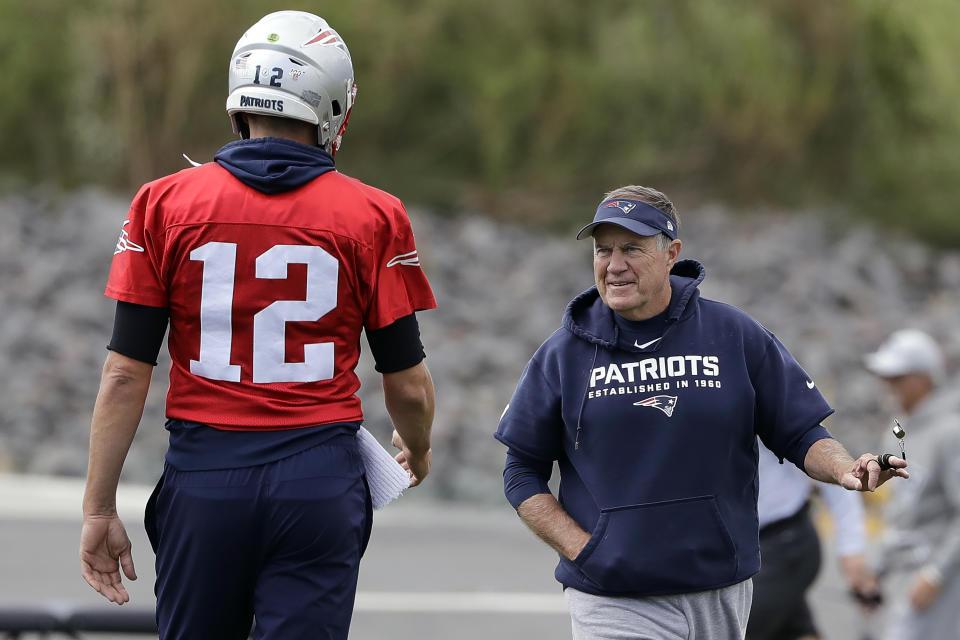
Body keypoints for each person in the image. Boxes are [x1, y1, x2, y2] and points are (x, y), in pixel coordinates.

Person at [80, 11, 436, 640]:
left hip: (206, 475)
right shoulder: (375, 215)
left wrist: (99, 506)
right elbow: (405, 381)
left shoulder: (164, 204)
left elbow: (123, 374)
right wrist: (420, 446)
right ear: (329, 103)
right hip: (318, 480)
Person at [494, 185, 908, 639]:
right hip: (612, 596)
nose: (614, 265)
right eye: (603, 250)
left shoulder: (734, 334)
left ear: (672, 253)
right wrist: (584, 550)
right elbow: (521, 469)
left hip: (719, 588)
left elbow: (801, 433)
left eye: (631, 248)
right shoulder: (562, 356)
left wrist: (847, 469)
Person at [864, 329, 960, 640]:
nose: (887, 386)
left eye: (896, 377)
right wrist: (876, 570)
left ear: (922, 378)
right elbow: (897, 511)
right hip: (900, 578)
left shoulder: (949, 433)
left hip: (938, 581)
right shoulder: (896, 432)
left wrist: (935, 575)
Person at [747, 440, 880, 640]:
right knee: (795, 631)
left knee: (735, 629)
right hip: (748, 552)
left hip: (785, 544)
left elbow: (827, 458)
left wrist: (851, 548)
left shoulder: (759, 409)